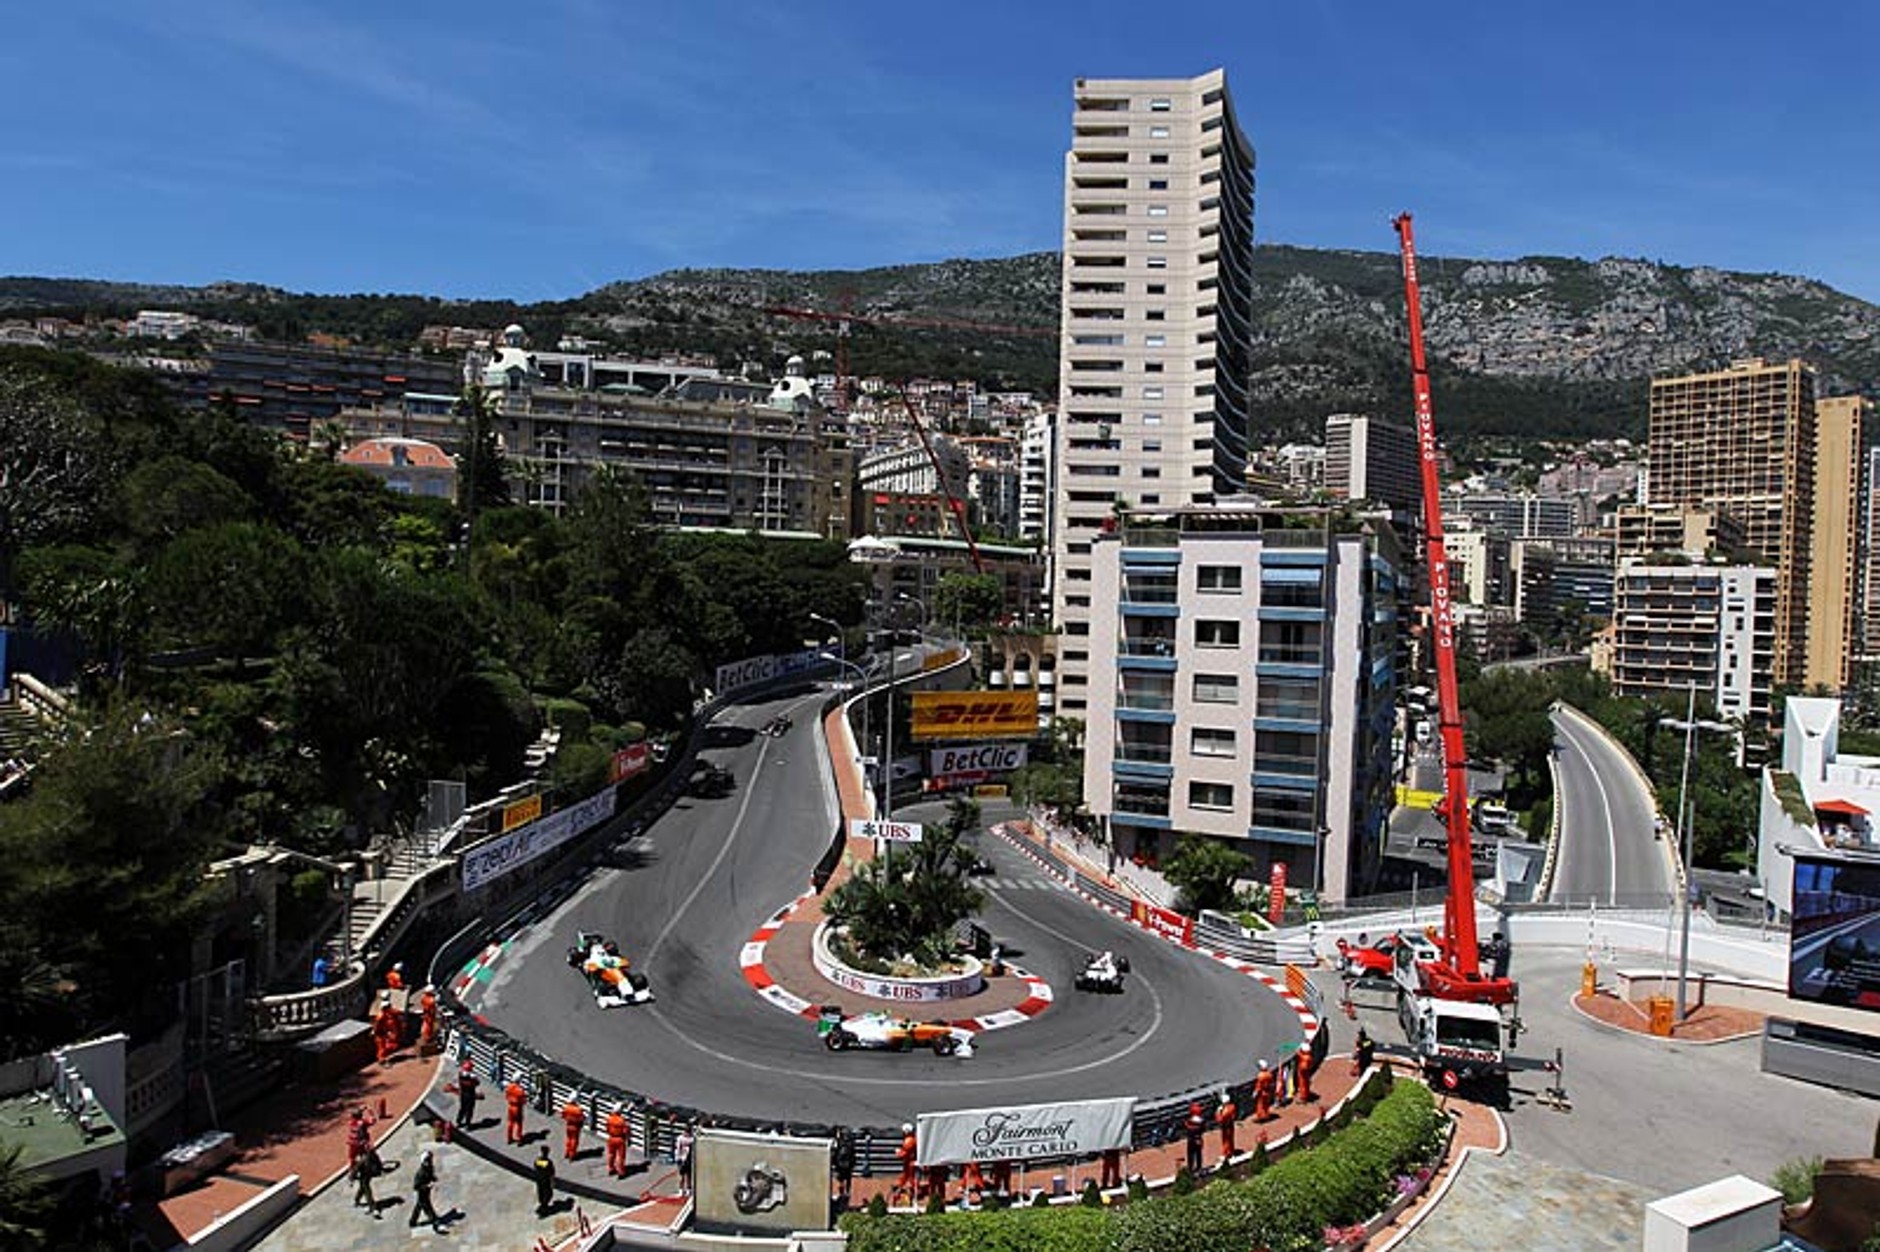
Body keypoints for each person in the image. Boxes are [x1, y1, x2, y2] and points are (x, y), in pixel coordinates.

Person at [408, 1149, 442, 1231]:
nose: (430, 1162)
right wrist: (427, 1186)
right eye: (428, 1160)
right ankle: (434, 1221)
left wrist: (434, 1179)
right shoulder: (420, 1173)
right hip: (422, 1193)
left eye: (430, 1159)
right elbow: (416, 1187)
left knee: (419, 1206)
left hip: (426, 1192)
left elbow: (430, 1175)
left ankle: (412, 1222)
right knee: (427, 1207)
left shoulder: (430, 1167)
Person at [352, 1145, 384, 1217]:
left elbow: (379, 1164)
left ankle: (357, 1200)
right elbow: (356, 1169)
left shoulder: (374, 1157)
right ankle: (373, 1208)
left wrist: (380, 1171)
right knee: (367, 1192)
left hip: (369, 1176)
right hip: (363, 1177)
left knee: (362, 1189)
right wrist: (352, 1179)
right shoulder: (364, 1159)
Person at [372, 995, 402, 1065]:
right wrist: (376, 1031)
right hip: (382, 1033)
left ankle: (384, 1058)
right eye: (388, 1007)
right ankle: (382, 1061)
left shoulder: (391, 1012)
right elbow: (377, 1025)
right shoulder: (381, 1016)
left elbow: (397, 1012)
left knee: (392, 1045)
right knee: (382, 1047)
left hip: (389, 1032)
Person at [345, 1105, 375, 1172]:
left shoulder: (351, 1122)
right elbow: (372, 1121)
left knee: (351, 1157)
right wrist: (370, 1112)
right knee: (370, 1150)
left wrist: (361, 1110)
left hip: (352, 1142)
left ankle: (351, 1170)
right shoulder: (363, 1122)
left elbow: (354, 1114)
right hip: (361, 1142)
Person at [831, 1127, 856, 1204]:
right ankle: (847, 1193)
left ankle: (842, 1193)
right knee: (847, 1180)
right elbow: (853, 1155)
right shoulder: (850, 1143)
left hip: (840, 1165)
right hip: (847, 1166)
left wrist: (833, 1164)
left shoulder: (839, 1143)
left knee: (841, 1180)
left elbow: (834, 1154)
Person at [894, 1122, 917, 1202]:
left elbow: (904, 1153)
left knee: (910, 1178)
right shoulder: (912, 1139)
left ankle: (912, 1193)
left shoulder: (909, 1141)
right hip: (909, 1162)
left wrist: (898, 1152)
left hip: (909, 1163)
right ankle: (901, 1189)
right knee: (905, 1177)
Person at [605, 1104, 629, 1178]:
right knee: (621, 1156)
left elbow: (607, 1129)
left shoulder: (609, 1119)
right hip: (620, 1139)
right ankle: (620, 1172)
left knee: (611, 1154)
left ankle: (611, 1168)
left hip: (611, 1138)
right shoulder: (622, 1121)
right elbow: (625, 1131)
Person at [532, 1145, 556, 1217]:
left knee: (541, 1191)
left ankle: (542, 1203)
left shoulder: (538, 1160)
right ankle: (544, 1205)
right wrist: (552, 1180)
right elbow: (551, 1172)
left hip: (539, 1178)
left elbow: (535, 1167)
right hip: (546, 1179)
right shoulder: (548, 1162)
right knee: (547, 1192)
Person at [455, 1061, 481, 1128]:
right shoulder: (472, 1077)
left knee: (462, 1108)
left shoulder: (461, 1074)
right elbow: (477, 1083)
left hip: (463, 1094)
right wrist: (474, 1078)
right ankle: (467, 1124)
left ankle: (458, 1121)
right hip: (470, 1095)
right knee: (469, 1110)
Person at [1183, 1101, 1206, 1173]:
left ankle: (1190, 1168)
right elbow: (1203, 1129)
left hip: (1191, 1139)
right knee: (1199, 1154)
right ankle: (1199, 1167)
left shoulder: (1190, 1121)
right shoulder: (1202, 1121)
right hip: (1198, 1139)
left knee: (1190, 1154)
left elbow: (1187, 1127)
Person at [1215, 1089, 1238, 1159]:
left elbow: (1220, 1119)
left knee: (1226, 1140)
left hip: (1225, 1126)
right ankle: (1231, 1152)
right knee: (1230, 1140)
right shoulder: (1232, 1107)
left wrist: (1218, 1112)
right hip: (1230, 1125)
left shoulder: (1224, 1110)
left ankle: (1227, 1153)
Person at [561, 1097, 586, 1161]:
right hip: (576, 1126)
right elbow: (582, 1118)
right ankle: (572, 1155)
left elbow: (563, 1115)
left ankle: (567, 1152)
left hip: (568, 1125)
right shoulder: (578, 1109)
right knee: (574, 1140)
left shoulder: (566, 1107)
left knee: (568, 1139)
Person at [505, 1079, 528, 1145]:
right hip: (518, 1107)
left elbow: (506, 1096)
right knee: (519, 1124)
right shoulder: (520, 1090)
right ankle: (519, 1139)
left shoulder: (509, 1087)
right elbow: (523, 1101)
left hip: (510, 1106)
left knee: (510, 1123)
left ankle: (509, 1138)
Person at [675, 1123, 696, 1195]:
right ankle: (683, 1189)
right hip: (684, 1159)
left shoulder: (690, 1139)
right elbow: (678, 1149)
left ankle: (687, 1189)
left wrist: (678, 1158)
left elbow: (678, 1149)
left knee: (687, 1175)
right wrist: (679, 1158)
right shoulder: (689, 1139)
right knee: (684, 1175)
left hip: (687, 1159)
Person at [418, 985, 439, 1054]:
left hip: (427, 1014)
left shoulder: (424, 997)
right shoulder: (431, 1000)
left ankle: (426, 1037)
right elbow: (433, 1007)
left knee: (426, 1025)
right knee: (429, 1027)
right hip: (430, 1015)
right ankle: (427, 1038)